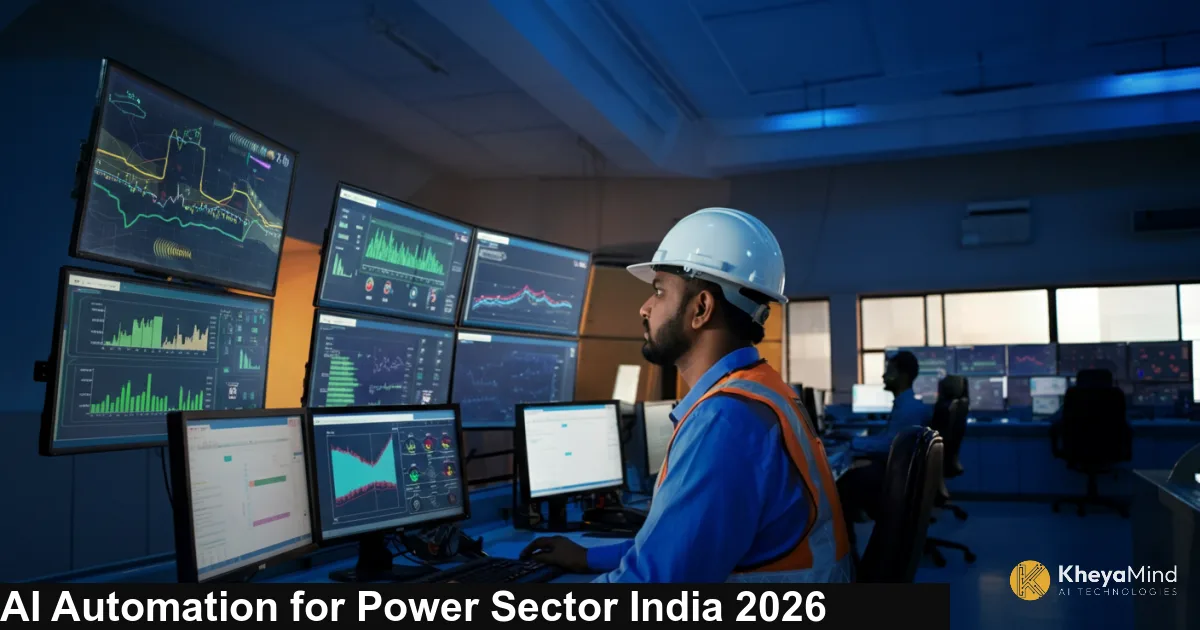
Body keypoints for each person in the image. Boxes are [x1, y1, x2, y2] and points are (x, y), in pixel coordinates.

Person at [519, 207, 853, 583]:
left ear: (701, 309)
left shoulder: (725, 420)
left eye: (659, 291)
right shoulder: (762, 392)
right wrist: (591, 557)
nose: (644, 308)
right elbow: (680, 549)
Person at [837, 351, 933, 530]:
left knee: (842, 484)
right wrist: (857, 443)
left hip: (899, 475)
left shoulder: (908, 410)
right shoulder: (906, 405)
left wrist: (854, 443)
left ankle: (848, 547)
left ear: (902, 376)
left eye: (889, 371)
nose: (883, 375)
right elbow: (889, 438)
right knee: (853, 469)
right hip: (900, 469)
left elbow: (891, 444)